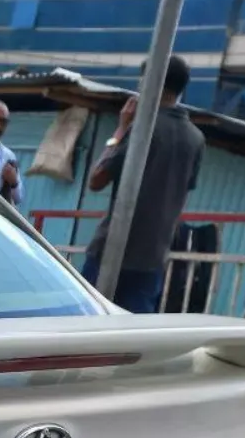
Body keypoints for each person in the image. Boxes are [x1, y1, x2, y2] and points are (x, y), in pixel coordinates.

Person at [81, 55, 205, 313]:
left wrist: (120, 129)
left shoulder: (143, 128)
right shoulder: (196, 138)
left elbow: (96, 179)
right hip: (153, 257)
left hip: (113, 252)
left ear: (150, 82)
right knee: (132, 342)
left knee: (88, 326)